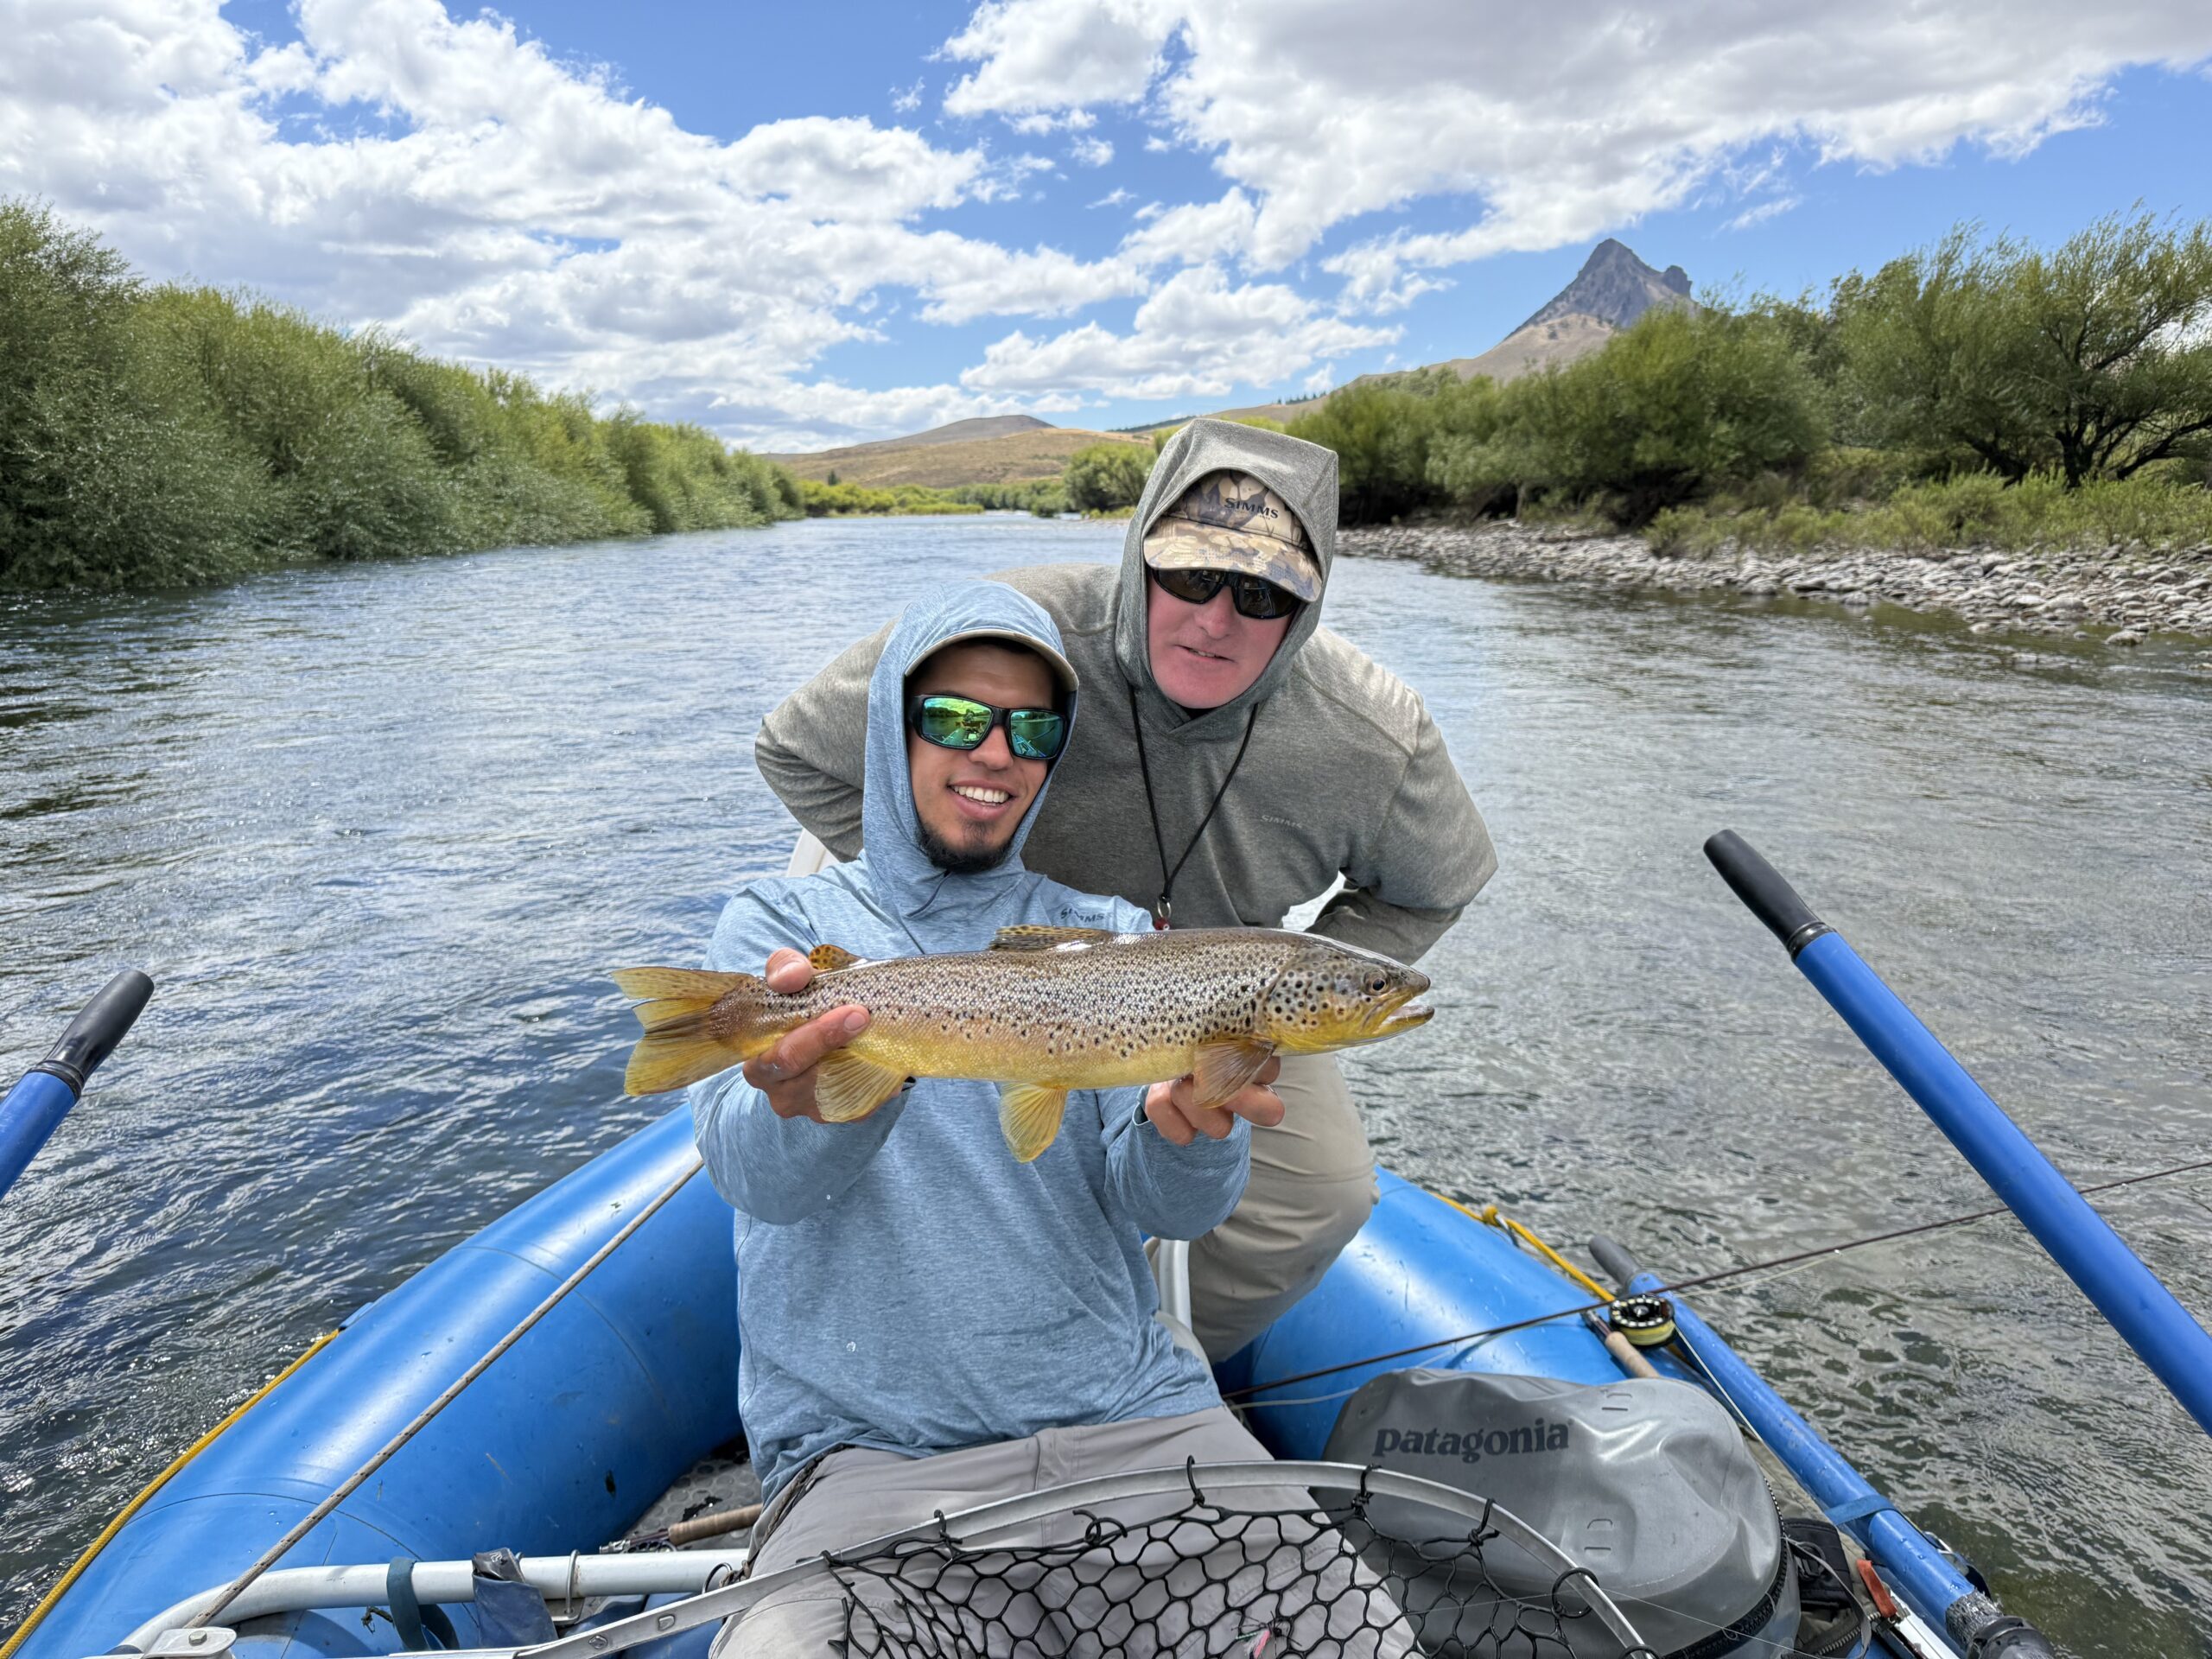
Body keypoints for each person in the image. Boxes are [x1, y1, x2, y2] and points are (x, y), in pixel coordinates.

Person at [755, 418, 1495, 1358]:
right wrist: (950, 893)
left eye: (1263, 594)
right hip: (995, 966)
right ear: (1137, 554)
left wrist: (1315, 980)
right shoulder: (1017, 641)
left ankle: (1139, 1344)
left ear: (1305, 609)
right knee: (950, 1157)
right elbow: (795, 750)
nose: (1215, 618)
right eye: (1188, 576)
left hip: (1236, 999)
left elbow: (1432, 890)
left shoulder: (1372, 732)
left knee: (1325, 1195)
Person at [692, 580, 1319, 1656]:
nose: (993, 752)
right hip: (871, 1464)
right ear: (891, 727)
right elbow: (757, 1181)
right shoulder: (783, 923)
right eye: (952, 717)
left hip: (1137, 1424)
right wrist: (813, 1105)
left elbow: (1158, 1200)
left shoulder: (1111, 937)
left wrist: (1192, 1132)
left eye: (1030, 729)